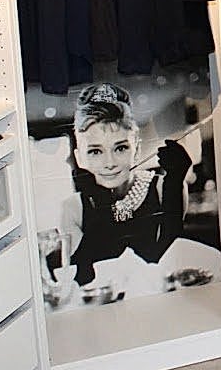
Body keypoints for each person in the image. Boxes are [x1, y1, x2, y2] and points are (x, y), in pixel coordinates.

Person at [59, 82, 193, 286]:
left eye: (120, 148)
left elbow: (172, 262)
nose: (110, 163)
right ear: (79, 158)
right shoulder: (73, 209)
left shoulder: (163, 188)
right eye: (95, 151)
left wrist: (174, 185)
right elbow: (84, 278)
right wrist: (101, 203)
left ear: (136, 149)